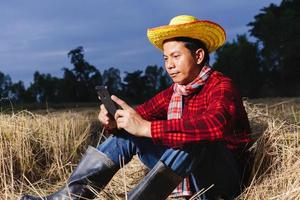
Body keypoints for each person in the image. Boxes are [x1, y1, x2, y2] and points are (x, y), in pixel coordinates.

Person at [21, 15, 252, 200]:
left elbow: (215, 125)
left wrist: (148, 129)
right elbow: (138, 118)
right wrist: (117, 120)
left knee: (196, 138)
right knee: (128, 137)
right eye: (165, 59)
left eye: (176, 56)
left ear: (199, 55)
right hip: (184, 169)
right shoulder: (173, 92)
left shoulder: (221, 85)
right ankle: (69, 198)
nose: (169, 65)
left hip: (224, 179)